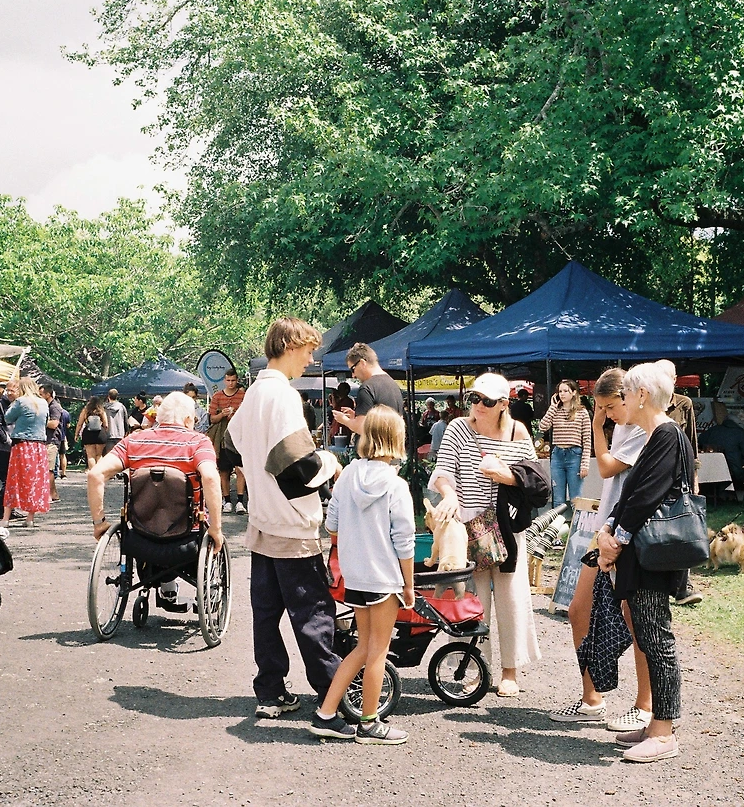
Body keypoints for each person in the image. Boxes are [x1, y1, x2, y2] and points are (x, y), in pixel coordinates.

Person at [227, 317, 343, 719]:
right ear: (291, 346)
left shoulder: (255, 393)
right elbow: (299, 469)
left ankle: (271, 692)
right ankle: (332, 698)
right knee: (313, 615)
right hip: (292, 525)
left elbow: (231, 444)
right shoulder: (284, 396)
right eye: (308, 351)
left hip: (262, 522)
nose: (310, 360)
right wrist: (330, 462)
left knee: (267, 615)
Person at [594, 362, 692, 763]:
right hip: (643, 553)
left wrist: (613, 541)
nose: (622, 400)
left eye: (627, 393)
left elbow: (646, 498)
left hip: (654, 556)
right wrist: (609, 529)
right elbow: (631, 496)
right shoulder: (656, 436)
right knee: (650, 637)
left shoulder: (665, 435)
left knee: (656, 638)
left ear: (642, 396)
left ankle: (664, 732)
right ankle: (655, 725)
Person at [549, 368, 654, 733]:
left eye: (610, 407)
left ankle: (645, 705)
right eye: (602, 409)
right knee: (578, 609)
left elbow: (607, 468)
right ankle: (592, 699)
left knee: (635, 617)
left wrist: (596, 427)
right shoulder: (623, 426)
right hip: (605, 530)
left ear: (630, 398)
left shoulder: (643, 429)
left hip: (628, 533)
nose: (607, 414)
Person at [428, 372, 539, 697]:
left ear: (503, 404)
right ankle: (476, 668)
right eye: (474, 398)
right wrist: (449, 494)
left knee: (511, 598)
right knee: (472, 600)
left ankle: (510, 671)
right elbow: (442, 472)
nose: (478, 405)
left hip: (506, 525)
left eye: (486, 401)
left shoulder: (519, 432)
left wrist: (505, 476)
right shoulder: (458, 428)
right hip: (467, 528)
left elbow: (533, 480)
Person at [312, 405, 414, 744]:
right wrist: (409, 586)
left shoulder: (346, 477)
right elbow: (404, 542)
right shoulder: (396, 486)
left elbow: (332, 526)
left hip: (355, 577)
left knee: (361, 649)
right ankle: (369, 724)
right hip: (385, 578)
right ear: (396, 439)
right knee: (377, 652)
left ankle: (326, 713)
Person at [86, 391, 223, 547]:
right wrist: (216, 528)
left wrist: (99, 523)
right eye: (194, 420)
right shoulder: (199, 442)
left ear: (159, 417)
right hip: (189, 535)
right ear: (187, 419)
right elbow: (210, 477)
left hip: (141, 534)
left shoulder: (133, 441)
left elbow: (95, 474)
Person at [657, 360, 702, 606]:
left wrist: (694, 477)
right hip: (655, 475)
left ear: (675, 379)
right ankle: (661, 582)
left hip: (679, 474)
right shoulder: (648, 403)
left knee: (683, 526)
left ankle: (683, 586)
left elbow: (692, 443)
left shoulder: (684, 404)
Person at [1, 377, 50, 528]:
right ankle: (30, 518)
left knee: (14, 480)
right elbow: (46, 421)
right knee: (35, 481)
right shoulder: (43, 403)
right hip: (39, 446)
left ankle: (6, 519)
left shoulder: (20, 402)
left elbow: (7, 418)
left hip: (22, 445)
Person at [538, 379, 592, 505]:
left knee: (576, 499)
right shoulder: (555, 411)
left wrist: (585, 464)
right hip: (557, 454)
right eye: (560, 391)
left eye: (565, 391)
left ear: (573, 392)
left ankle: (577, 519)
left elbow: (587, 439)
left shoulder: (582, 412)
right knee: (558, 499)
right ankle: (558, 519)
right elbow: (542, 427)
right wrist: (552, 407)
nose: (562, 394)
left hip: (575, 455)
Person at [333, 343, 404, 436]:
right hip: (392, 443)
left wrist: (344, 420)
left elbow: (362, 428)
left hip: (374, 444)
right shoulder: (393, 385)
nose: (353, 375)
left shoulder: (367, 388)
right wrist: (355, 416)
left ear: (362, 363)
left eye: (352, 369)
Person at [209, 368, 248, 513]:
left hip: (240, 438)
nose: (231, 383)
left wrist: (237, 414)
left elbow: (250, 415)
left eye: (233, 380)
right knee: (224, 471)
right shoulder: (217, 396)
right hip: (223, 438)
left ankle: (240, 501)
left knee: (240, 470)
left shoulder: (244, 396)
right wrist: (222, 414)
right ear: (224, 381)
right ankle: (227, 500)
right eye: (228, 380)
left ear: (237, 380)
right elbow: (212, 419)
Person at [698, 401, 744, 493]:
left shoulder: (712, 430)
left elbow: (700, 441)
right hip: (734, 471)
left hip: (709, 471)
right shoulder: (742, 434)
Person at [0, 380, 15, 521]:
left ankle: (11, 510)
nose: (9, 393)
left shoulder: (20, 404)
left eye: (12, 390)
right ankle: (1, 512)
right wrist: (7, 440)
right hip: (3, 448)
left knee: (14, 481)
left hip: (17, 448)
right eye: (8, 390)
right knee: (2, 481)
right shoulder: (0, 405)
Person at [40, 386, 65, 501]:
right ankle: (53, 494)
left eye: (41, 394)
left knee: (49, 469)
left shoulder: (54, 406)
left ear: (48, 394)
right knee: (47, 468)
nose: (39, 397)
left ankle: (50, 495)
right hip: (47, 440)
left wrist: (38, 421)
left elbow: (54, 424)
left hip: (52, 440)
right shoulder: (46, 406)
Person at [76, 395, 108, 468]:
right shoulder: (101, 411)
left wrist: (76, 434)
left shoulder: (85, 410)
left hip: (88, 434)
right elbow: (106, 425)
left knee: (91, 456)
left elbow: (80, 424)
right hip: (100, 434)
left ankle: (93, 473)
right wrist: (104, 432)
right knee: (99, 455)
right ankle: (99, 473)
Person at [102, 388, 129, 454]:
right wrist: (127, 432)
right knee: (119, 455)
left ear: (108, 396)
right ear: (117, 396)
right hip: (120, 435)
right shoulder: (122, 407)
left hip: (108, 435)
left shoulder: (104, 408)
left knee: (109, 456)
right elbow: (126, 421)